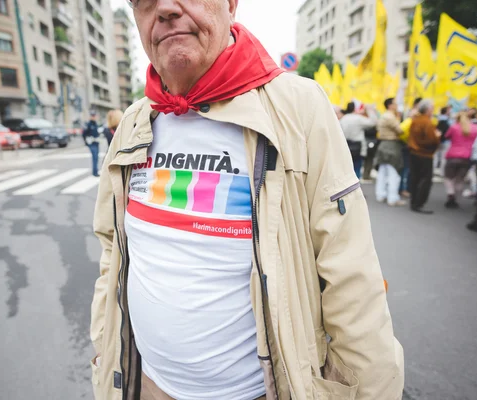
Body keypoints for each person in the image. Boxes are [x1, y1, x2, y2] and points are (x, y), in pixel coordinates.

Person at [90, 1, 403, 399]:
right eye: (145, 0)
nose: (165, 8)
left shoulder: (298, 107)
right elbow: (111, 249)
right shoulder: (136, 121)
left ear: (231, 4)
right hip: (147, 385)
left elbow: (351, 275)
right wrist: (103, 339)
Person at [407, 99, 441, 214]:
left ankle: (414, 201)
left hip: (414, 152)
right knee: (425, 179)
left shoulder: (415, 120)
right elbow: (431, 140)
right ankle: (418, 203)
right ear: (427, 109)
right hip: (424, 154)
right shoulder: (427, 122)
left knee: (415, 177)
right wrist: (437, 137)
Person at [443, 112, 477, 208]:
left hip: (453, 155)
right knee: (459, 179)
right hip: (467, 157)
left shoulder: (454, 127)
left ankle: (450, 192)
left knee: (449, 177)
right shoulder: (475, 128)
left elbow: (446, 136)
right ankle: (455, 198)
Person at [375, 98, 406, 206]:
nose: (397, 105)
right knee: (393, 173)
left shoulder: (384, 115)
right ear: (390, 105)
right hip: (391, 146)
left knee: (383, 172)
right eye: (395, 103)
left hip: (384, 145)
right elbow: (400, 130)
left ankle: (381, 195)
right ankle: (392, 198)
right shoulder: (390, 116)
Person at [339, 101, 377, 178]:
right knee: (357, 168)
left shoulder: (343, 119)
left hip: (346, 145)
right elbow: (373, 122)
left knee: (347, 169)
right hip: (358, 146)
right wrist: (370, 110)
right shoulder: (358, 119)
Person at [434, 106, 452, 174]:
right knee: (443, 157)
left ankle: (434, 169)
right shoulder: (447, 121)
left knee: (436, 156)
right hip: (445, 141)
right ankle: (442, 171)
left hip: (438, 140)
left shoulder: (437, 119)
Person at [83, 111, 100, 176]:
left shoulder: (95, 124)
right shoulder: (88, 124)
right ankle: (95, 172)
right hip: (92, 144)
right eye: (92, 116)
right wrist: (86, 142)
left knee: (96, 158)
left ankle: (95, 171)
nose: (93, 117)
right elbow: (84, 134)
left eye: (94, 116)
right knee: (95, 157)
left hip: (96, 143)